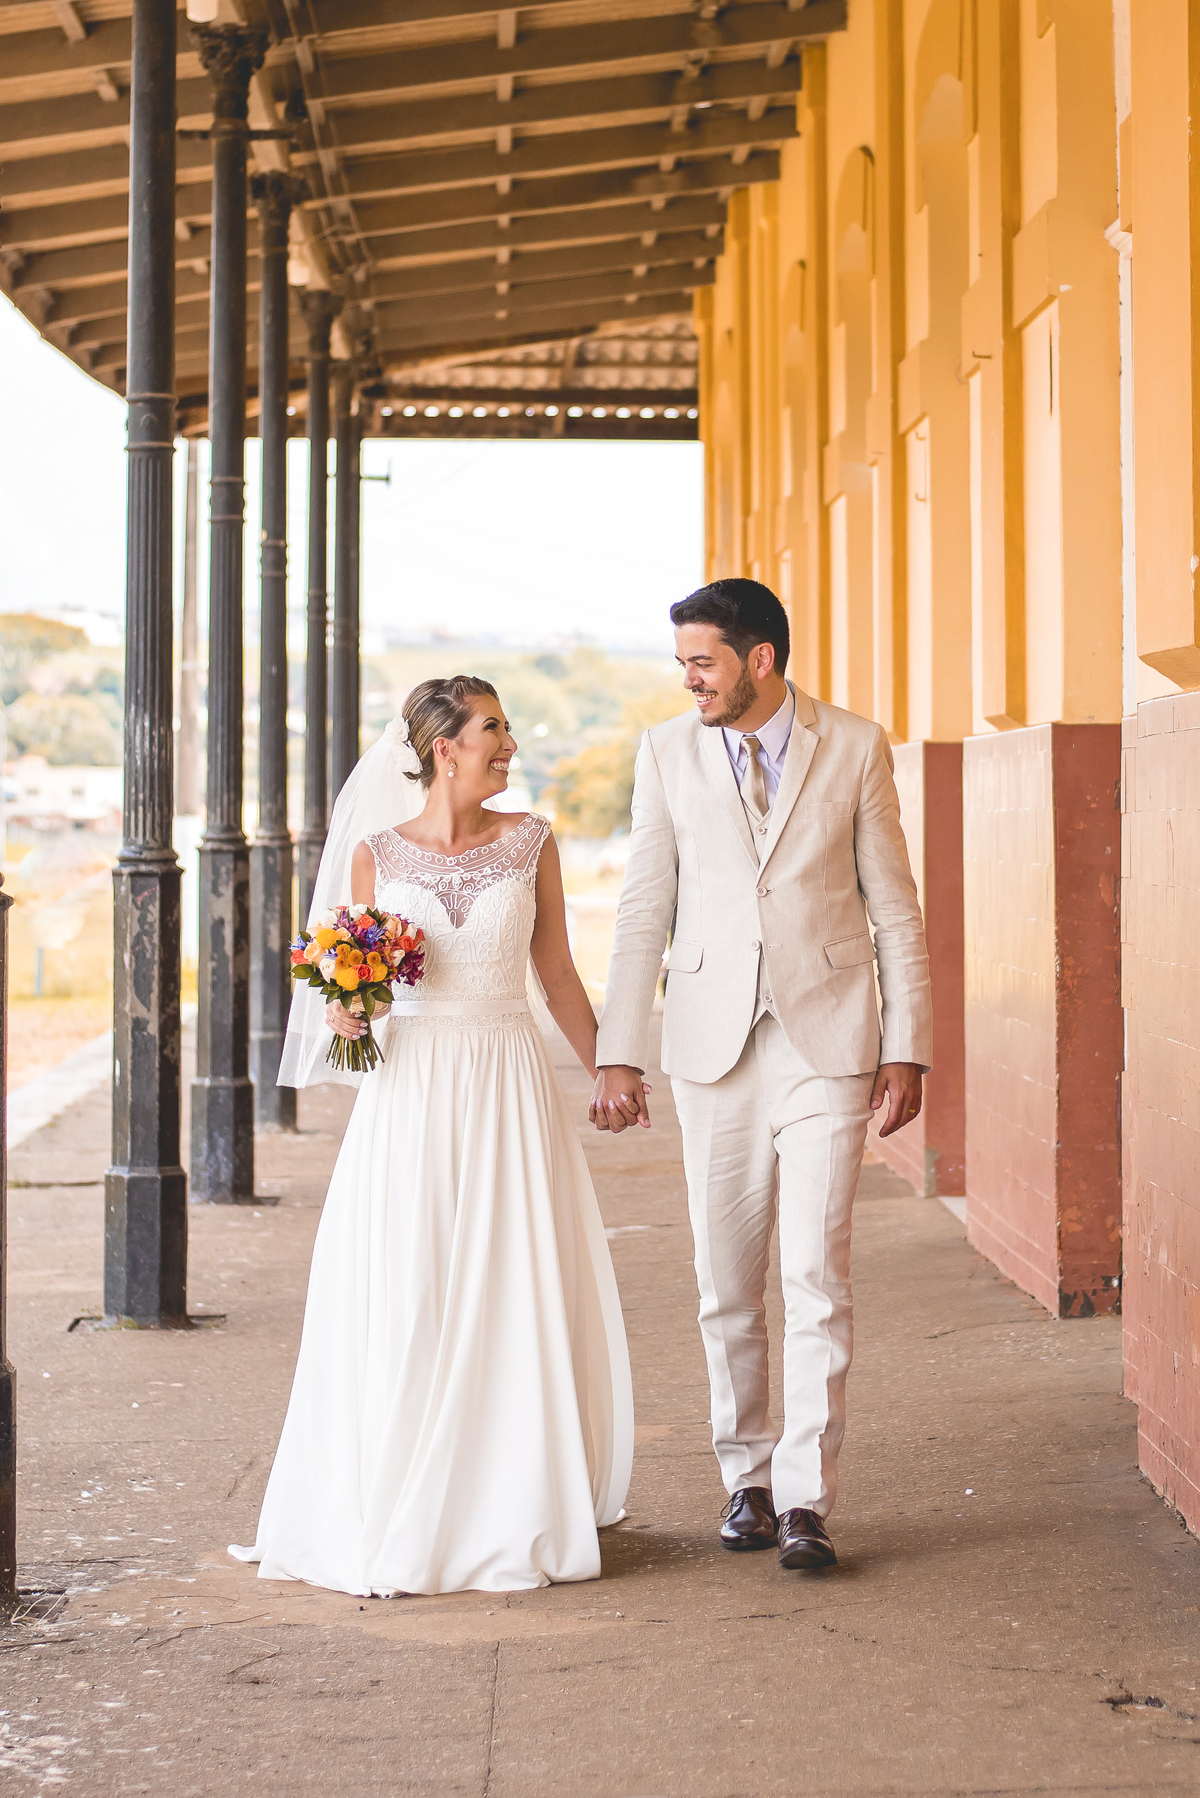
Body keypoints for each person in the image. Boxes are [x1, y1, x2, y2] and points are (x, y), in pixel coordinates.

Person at [230, 676, 632, 1596]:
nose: (510, 744)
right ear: (444, 748)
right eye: (494, 729)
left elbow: (558, 973)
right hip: (410, 1094)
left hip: (506, 1082)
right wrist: (348, 1010)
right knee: (411, 1278)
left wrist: (610, 1068)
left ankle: (508, 1502)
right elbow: (361, 993)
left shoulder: (532, 842)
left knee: (508, 1276)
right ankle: (401, 1493)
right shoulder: (375, 855)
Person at [591, 579, 932, 1572]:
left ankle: (806, 1498)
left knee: (817, 1273)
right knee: (726, 1281)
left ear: (761, 659)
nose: (689, 681)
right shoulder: (666, 752)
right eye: (683, 664)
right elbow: (644, 906)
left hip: (828, 1041)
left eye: (703, 662)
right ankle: (745, 1478)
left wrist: (906, 1043)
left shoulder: (854, 745)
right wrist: (619, 1048)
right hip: (712, 1046)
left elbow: (894, 906)